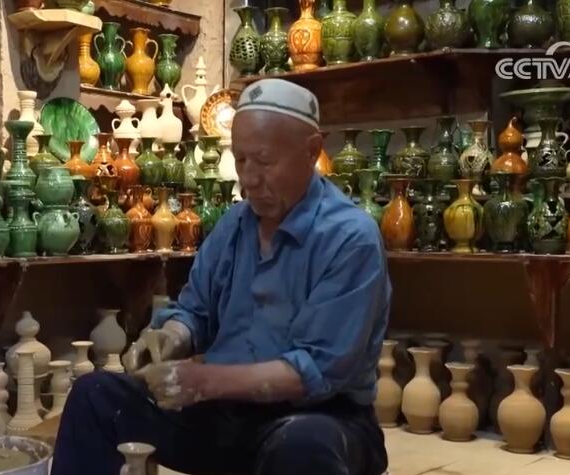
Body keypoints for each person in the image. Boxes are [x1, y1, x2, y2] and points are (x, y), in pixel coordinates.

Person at [50, 78, 390, 475]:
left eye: (264, 161)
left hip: (321, 416)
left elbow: (315, 370)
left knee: (301, 446)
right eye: (241, 160)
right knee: (95, 395)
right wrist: (170, 336)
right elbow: (195, 311)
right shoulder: (235, 225)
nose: (249, 178)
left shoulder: (350, 237)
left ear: (312, 150)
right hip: (226, 414)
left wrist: (200, 382)